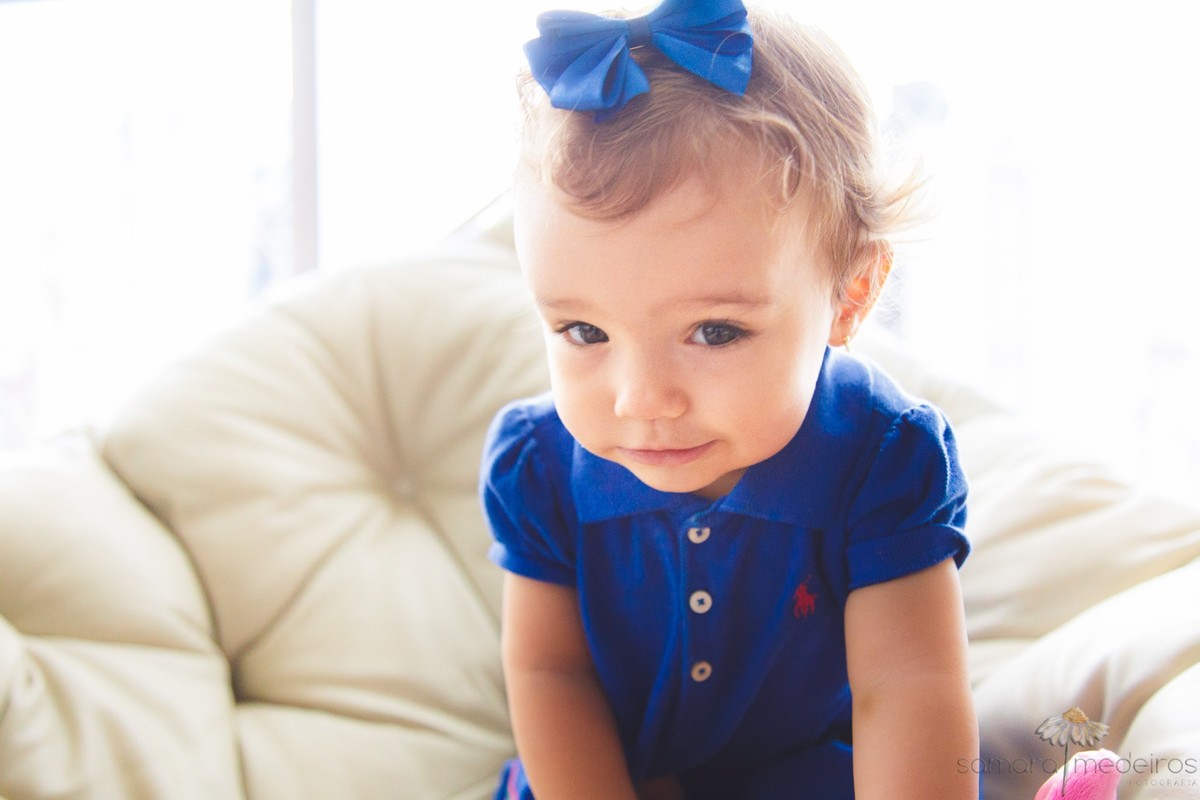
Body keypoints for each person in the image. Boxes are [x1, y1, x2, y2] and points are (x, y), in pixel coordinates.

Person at [480, 0, 980, 797]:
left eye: (714, 333)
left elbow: (907, 690)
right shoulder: (539, 467)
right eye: (583, 331)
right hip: (604, 770)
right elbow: (550, 675)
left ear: (850, 293)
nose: (642, 399)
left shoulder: (884, 458)